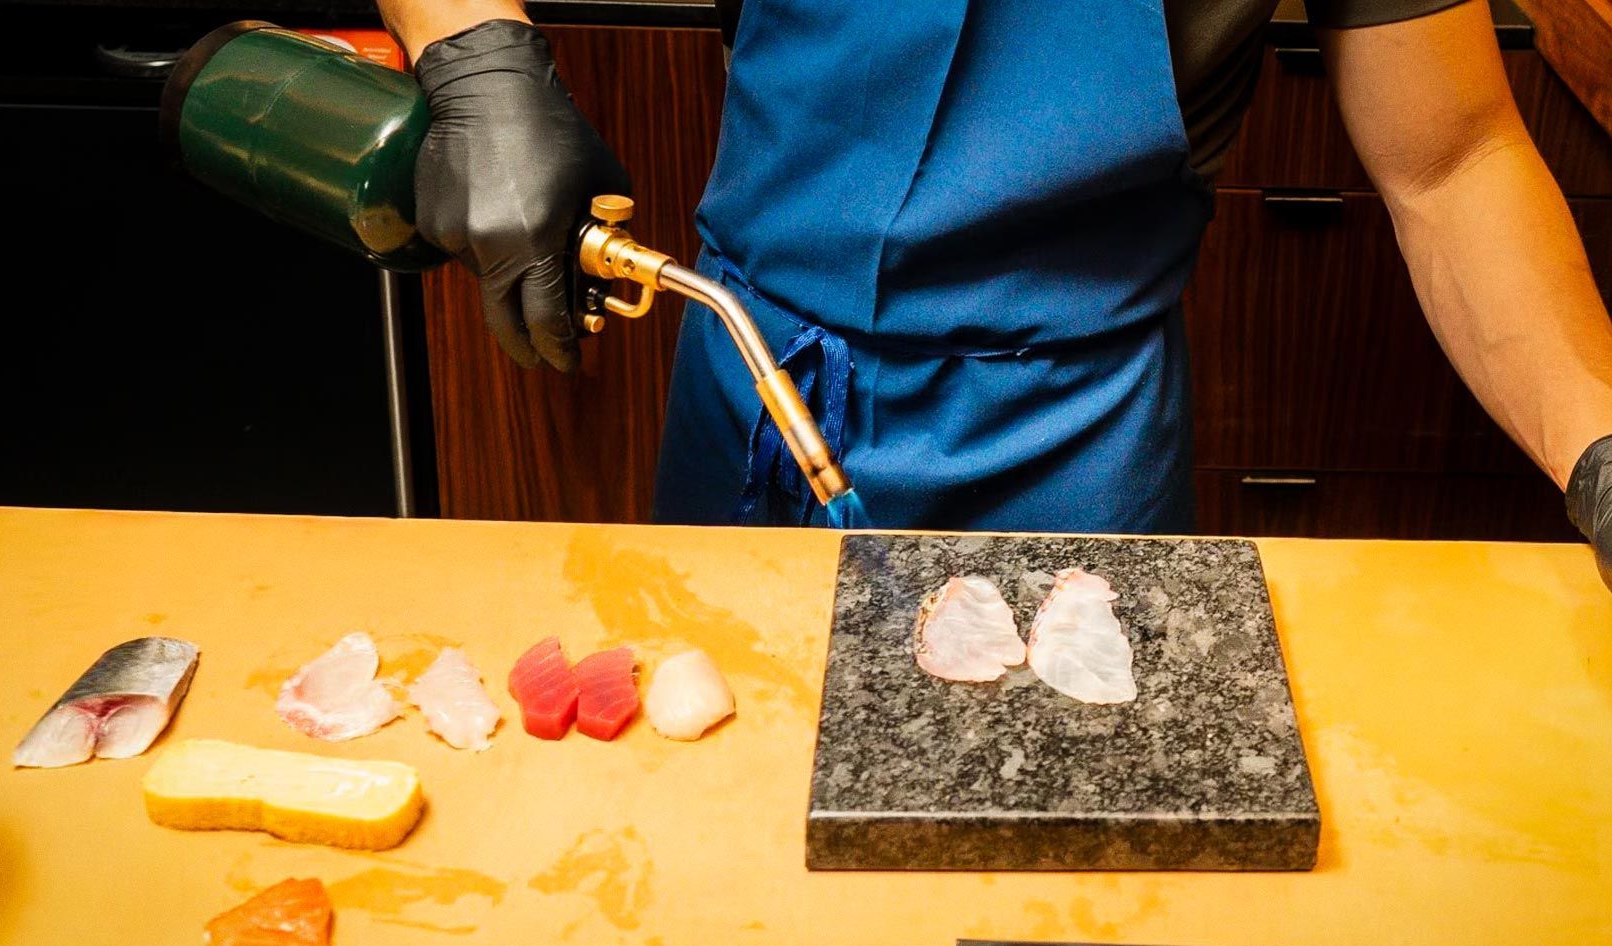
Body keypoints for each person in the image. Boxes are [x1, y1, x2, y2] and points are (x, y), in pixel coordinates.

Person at [381, 0, 1611, 586]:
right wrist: (476, 58)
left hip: (1080, 440)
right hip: (753, 380)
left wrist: (1598, 448)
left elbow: (1449, 161)